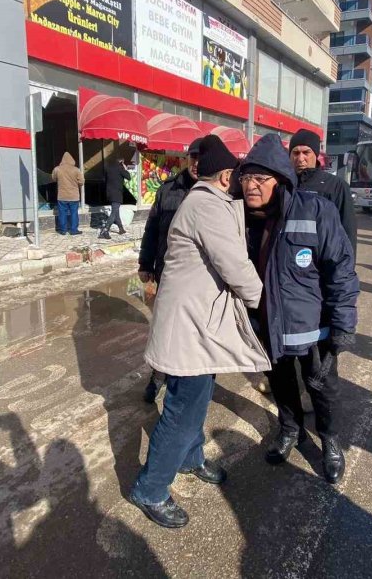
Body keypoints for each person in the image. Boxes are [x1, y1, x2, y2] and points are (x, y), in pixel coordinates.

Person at [130, 135, 268, 529]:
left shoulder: (211, 200)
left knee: (198, 398)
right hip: (188, 329)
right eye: (239, 175)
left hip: (199, 326)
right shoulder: (206, 205)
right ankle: (150, 488)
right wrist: (268, 305)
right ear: (226, 175)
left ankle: (190, 459)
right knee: (180, 410)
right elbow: (235, 267)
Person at [240, 134, 360, 484]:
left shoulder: (315, 209)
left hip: (314, 328)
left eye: (260, 179)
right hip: (268, 325)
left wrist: (341, 326)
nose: (251, 186)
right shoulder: (242, 219)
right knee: (281, 384)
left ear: (281, 179)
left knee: (322, 387)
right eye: (246, 177)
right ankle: (290, 430)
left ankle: (330, 440)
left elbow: (341, 269)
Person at [138, 138, 202, 403]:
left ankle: (196, 382)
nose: (197, 164)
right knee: (164, 330)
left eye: (202, 158)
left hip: (200, 280)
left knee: (196, 334)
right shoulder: (167, 190)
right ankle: (158, 377)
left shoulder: (217, 192)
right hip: (167, 274)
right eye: (193, 157)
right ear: (187, 159)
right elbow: (152, 229)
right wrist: (145, 264)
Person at [288, 128, 357, 253]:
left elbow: (348, 231)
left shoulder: (336, 186)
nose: (300, 158)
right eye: (296, 153)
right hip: (288, 264)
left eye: (306, 152)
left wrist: (347, 268)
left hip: (322, 263)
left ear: (316, 155)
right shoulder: (284, 184)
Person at [51, 152, 84, 235]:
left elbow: (53, 179)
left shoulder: (57, 169)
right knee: (74, 213)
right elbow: (81, 181)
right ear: (72, 160)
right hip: (74, 196)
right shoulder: (76, 170)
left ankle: (63, 230)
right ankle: (74, 230)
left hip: (62, 195)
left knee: (62, 213)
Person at [100, 155, 131, 239]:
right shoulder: (120, 169)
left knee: (116, 211)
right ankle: (105, 230)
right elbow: (129, 177)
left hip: (109, 193)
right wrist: (125, 168)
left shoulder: (108, 168)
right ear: (121, 162)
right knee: (114, 212)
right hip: (117, 193)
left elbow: (105, 180)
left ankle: (121, 229)